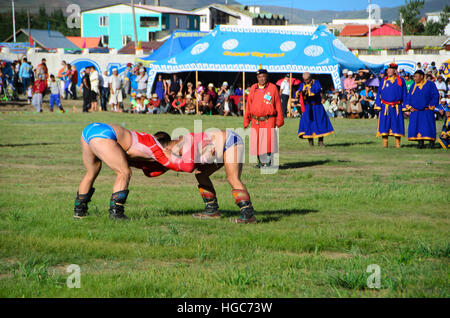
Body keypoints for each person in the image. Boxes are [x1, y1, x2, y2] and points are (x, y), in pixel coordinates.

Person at [74, 124, 194, 220]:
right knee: (124, 172)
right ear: (167, 146)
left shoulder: (146, 141)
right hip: (104, 135)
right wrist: (195, 164)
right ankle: (116, 213)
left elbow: (149, 172)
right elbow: (181, 167)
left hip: (90, 130)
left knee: (91, 172)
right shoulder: (157, 149)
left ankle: (79, 212)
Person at [138, 129, 257, 223]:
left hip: (230, 141)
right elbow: (154, 172)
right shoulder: (176, 150)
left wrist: (171, 157)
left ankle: (248, 214)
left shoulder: (185, 142)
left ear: (165, 148)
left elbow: (188, 167)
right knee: (201, 175)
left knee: (233, 178)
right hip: (219, 148)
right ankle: (212, 210)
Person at [244, 68, 284, 167]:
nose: (262, 79)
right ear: (257, 78)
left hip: (269, 119)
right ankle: (260, 162)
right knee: (256, 141)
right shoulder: (253, 88)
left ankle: (269, 161)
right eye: (259, 77)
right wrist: (246, 120)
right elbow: (248, 105)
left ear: (267, 77)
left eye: (264, 77)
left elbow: (278, 104)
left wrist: (279, 120)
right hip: (256, 120)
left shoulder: (273, 88)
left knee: (268, 141)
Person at [374, 62, 407, 148]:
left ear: (395, 71)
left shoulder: (401, 81)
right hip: (385, 107)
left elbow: (404, 94)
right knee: (385, 124)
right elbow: (379, 93)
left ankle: (397, 144)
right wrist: (378, 104)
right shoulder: (384, 80)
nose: (388, 71)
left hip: (397, 106)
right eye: (388, 70)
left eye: (390, 69)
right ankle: (385, 143)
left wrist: (405, 106)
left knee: (397, 124)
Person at [297, 72, 334, 146]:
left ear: (310, 78)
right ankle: (310, 142)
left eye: (307, 80)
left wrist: (308, 92)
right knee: (308, 123)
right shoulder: (302, 84)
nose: (306, 81)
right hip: (307, 107)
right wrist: (300, 92)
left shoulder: (316, 82)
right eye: (304, 80)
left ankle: (321, 141)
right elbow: (297, 93)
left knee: (320, 122)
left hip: (317, 106)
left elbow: (316, 91)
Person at [404, 70, 439, 148]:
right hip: (416, 111)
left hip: (427, 110)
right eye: (414, 76)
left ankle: (431, 143)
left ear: (422, 76)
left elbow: (435, 95)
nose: (414, 78)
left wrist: (432, 105)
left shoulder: (430, 85)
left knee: (428, 127)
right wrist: (409, 106)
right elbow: (409, 97)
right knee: (417, 127)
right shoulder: (413, 85)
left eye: (416, 76)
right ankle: (420, 143)